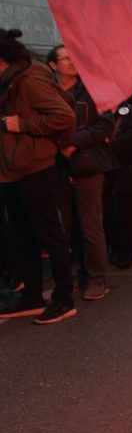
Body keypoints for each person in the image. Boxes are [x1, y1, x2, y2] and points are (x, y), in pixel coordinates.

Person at [0, 28, 77, 324]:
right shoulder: (10, 79)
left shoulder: (29, 79)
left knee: (49, 235)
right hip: (12, 170)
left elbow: (64, 116)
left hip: (35, 167)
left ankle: (64, 298)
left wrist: (23, 124)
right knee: (23, 237)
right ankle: (31, 296)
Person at [48, 45, 116, 301]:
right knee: (67, 224)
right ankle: (79, 272)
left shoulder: (91, 90)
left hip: (88, 165)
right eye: (65, 59)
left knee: (90, 225)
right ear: (54, 65)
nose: (71, 62)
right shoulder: (48, 93)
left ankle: (97, 278)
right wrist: (60, 146)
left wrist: (74, 142)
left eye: (73, 57)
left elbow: (105, 126)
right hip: (57, 167)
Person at [103, 94, 132, 270]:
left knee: (127, 214)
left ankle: (127, 252)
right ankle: (114, 247)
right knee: (108, 214)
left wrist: (104, 147)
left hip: (127, 171)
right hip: (106, 171)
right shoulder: (100, 113)